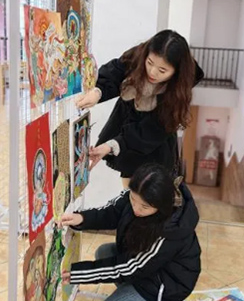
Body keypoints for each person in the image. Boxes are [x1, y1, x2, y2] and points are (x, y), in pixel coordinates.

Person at [60, 163, 205, 301]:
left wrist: (79, 274)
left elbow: (129, 267)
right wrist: (82, 219)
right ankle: (134, 298)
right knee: (105, 252)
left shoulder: (168, 231)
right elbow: (112, 212)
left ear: (162, 206)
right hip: (151, 268)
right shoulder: (137, 194)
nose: (136, 209)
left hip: (169, 283)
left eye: (144, 207)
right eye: (133, 199)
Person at [76, 30, 204, 186]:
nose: (152, 72)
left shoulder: (176, 95)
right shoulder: (139, 55)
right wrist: (98, 91)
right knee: (129, 188)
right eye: (149, 63)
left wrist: (112, 145)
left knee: (146, 191)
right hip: (126, 128)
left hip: (154, 148)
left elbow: (150, 131)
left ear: (176, 72)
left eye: (162, 70)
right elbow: (116, 71)